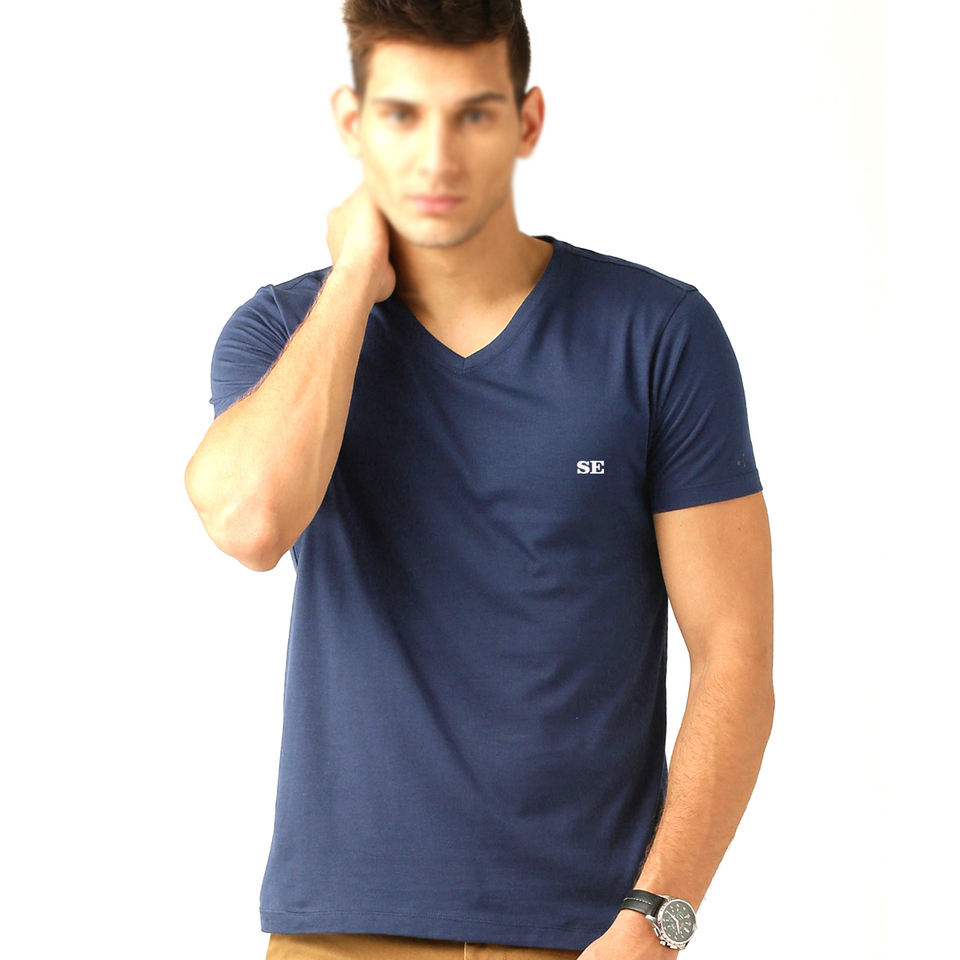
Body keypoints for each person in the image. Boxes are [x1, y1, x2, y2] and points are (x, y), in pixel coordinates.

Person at [183, 2, 775, 958]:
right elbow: (249, 521)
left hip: (586, 935)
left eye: (474, 115)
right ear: (351, 122)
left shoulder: (658, 334)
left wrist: (657, 922)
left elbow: (736, 655)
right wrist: (353, 279)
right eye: (402, 115)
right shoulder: (285, 331)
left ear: (527, 121)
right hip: (340, 931)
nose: (437, 158)